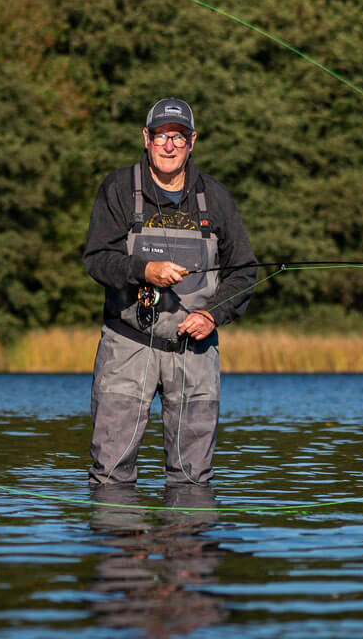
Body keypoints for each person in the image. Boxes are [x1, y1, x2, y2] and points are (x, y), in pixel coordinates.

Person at [83, 98, 256, 485]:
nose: (169, 145)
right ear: (146, 139)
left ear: (191, 142)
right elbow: (96, 259)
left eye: (177, 136)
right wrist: (143, 270)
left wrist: (213, 314)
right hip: (127, 347)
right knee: (111, 475)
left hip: (194, 352)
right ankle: (123, 543)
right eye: (161, 135)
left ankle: (185, 544)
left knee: (192, 479)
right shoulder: (119, 188)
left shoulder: (215, 196)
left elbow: (244, 271)